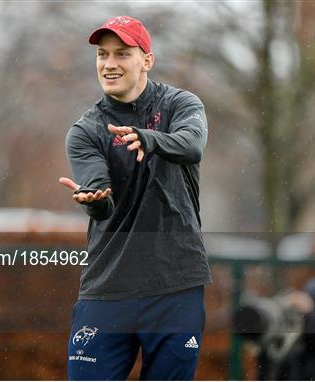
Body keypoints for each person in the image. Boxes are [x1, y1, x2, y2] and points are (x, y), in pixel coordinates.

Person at [59, 15, 212, 380]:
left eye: (122, 54)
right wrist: (94, 201)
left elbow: (192, 145)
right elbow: (102, 199)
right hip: (108, 288)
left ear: (147, 60)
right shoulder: (86, 130)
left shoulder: (180, 105)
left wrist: (149, 138)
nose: (109, 64)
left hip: (175, 286)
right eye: (102, 54)